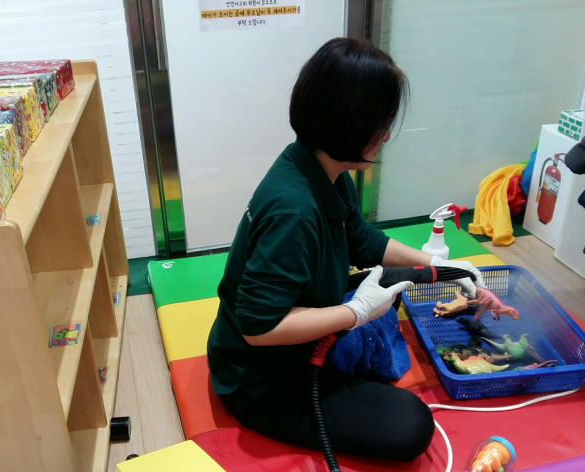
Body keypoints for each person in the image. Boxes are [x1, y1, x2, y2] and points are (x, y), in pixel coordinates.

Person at [206, 38, 486, 462]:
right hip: (262, 378)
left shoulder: (320, 166)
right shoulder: (294, 211)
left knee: (396, 282)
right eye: (379, 122)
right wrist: (355, 313)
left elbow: (360, 239)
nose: (386, 135)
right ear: (348, 122)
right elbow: (258, 328)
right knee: (410, 426)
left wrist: (441, 265)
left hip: (297, 325)